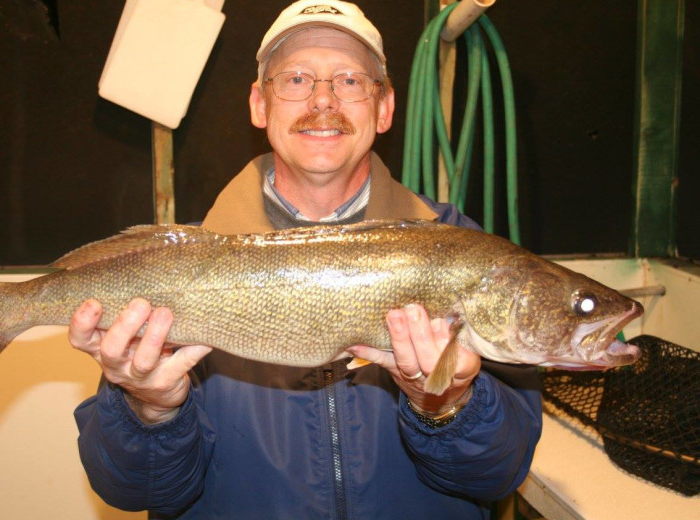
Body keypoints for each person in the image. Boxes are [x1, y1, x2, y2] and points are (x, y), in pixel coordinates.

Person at [71, 1, 542, 518]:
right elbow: (136, 491)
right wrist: (150, 408)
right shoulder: (177, 270)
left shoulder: (469, 256)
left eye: (349, 80)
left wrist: (448, 408)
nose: (323, 100)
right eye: (296, 79)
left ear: (384, 108)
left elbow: (501, 473)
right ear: (259, 104)